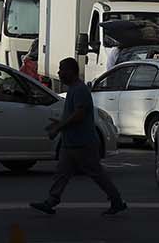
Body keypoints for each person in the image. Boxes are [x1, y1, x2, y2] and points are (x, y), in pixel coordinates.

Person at [30, 58, 127, 216]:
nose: (59, 73)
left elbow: (79, 114)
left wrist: (60, 126)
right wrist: (59, 123)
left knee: (97, 174)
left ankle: (117, 201)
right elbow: (73, 114)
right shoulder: (73, 89)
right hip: (71, 143)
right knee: (62, 173)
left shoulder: (80, 90)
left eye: (62, 70)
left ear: (71, 71)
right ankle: (51, 201)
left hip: (83, 143)